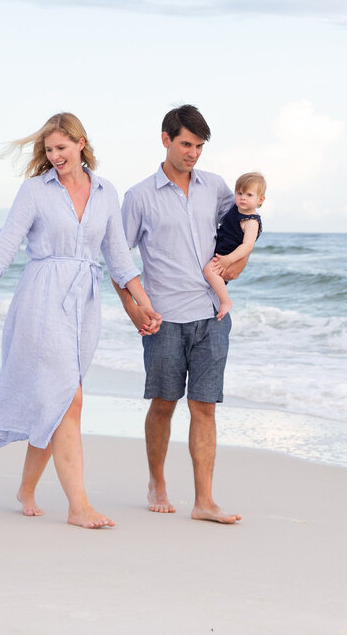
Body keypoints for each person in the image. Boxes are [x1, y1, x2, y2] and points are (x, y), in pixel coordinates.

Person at [0, 112, 159, 529]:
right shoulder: (34, 191)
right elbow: (5, 246)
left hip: (85, 303)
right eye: (48, 150)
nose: (55, 156)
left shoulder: (105, 192)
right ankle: (78, 505)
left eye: (61, 148)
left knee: (57, 398)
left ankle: (26, 488)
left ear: (81, 143)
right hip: (41, 299)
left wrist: (144, 304)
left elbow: (119, 257)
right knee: (70, 398)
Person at [115, 104, 243, 524]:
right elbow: (118, 258)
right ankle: (156, 481)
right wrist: (133, 309)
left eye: (200, 146)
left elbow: (236, 234)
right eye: (186, 144)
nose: (193, 153)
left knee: (205, 408)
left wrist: (237, 264)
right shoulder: (138, 197)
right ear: (166, 139)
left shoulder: (218, 188)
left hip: (211, 317)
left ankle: (204, 500)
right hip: (163, 318)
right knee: (164, 403)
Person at [203, 172, 266, 320]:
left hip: (227, 254)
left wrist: (228, 260)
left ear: (260, 200)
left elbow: (247, 246)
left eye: (249, 195)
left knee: (209, 270)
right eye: (239, 193)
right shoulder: (235, 208)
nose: (243, 197)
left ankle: (225, 301)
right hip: (220, 248)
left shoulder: (251, 222)